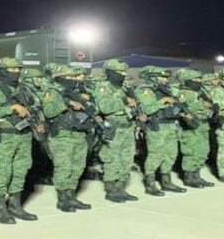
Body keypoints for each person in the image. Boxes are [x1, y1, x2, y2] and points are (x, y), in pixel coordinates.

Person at [0, 57, 38, 223]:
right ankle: (1, 209)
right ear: (2, 71)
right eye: (12, 69)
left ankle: (15, 205)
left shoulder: (23, 88)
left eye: (18, 69)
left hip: (24, 135)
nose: (16, 72)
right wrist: (12, 108)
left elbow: (34, 105)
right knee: (3, 171)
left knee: (21, 170)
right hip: (5, 137)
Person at [41, 64, 94, 211]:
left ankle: (71, 196)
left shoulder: (75, 92)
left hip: (79, 134)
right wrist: (67, 103)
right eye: (70, 77)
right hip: (62, 136)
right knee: (64, 168)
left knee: (78, 168)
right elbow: (49, 111)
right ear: (61, 78)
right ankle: (62, 200)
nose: (74, 79)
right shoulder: (53, 92)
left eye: (74, 76)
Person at [91, 59, 141, 201]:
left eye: (124, 71)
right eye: (119, 72)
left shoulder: (125, 87)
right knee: (112, 160)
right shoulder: (103, 87)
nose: (123, 74)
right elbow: (104, 107)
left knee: (127, 159)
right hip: (114, 128)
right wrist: (123, 101)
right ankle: (111, 190)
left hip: (128, 127)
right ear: (110, 73)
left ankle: (121, 188)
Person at [134, 66, 187, 196]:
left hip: (171, 125)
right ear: (152, 77)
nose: (165, 79)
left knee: (171, 154)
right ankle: (150, 184)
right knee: (156, 155)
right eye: (162, 77)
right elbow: (147, 109)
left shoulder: (168, 89)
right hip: (157, 126)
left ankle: (166, 182)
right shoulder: (145, 90)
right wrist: (163, 101)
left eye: (166, 77)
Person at [174, 68, 215, 188]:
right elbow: (184, 107)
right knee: (191, 152)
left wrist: (209, 108)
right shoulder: (183, 93)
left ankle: (197, 175)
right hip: (191, 127)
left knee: (203, 151)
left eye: (199, 79)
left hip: (203, 125)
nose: (198, 81)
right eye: (195, 79)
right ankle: (189, 177)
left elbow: (208, 107)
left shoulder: (199, 92)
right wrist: (203, 105)